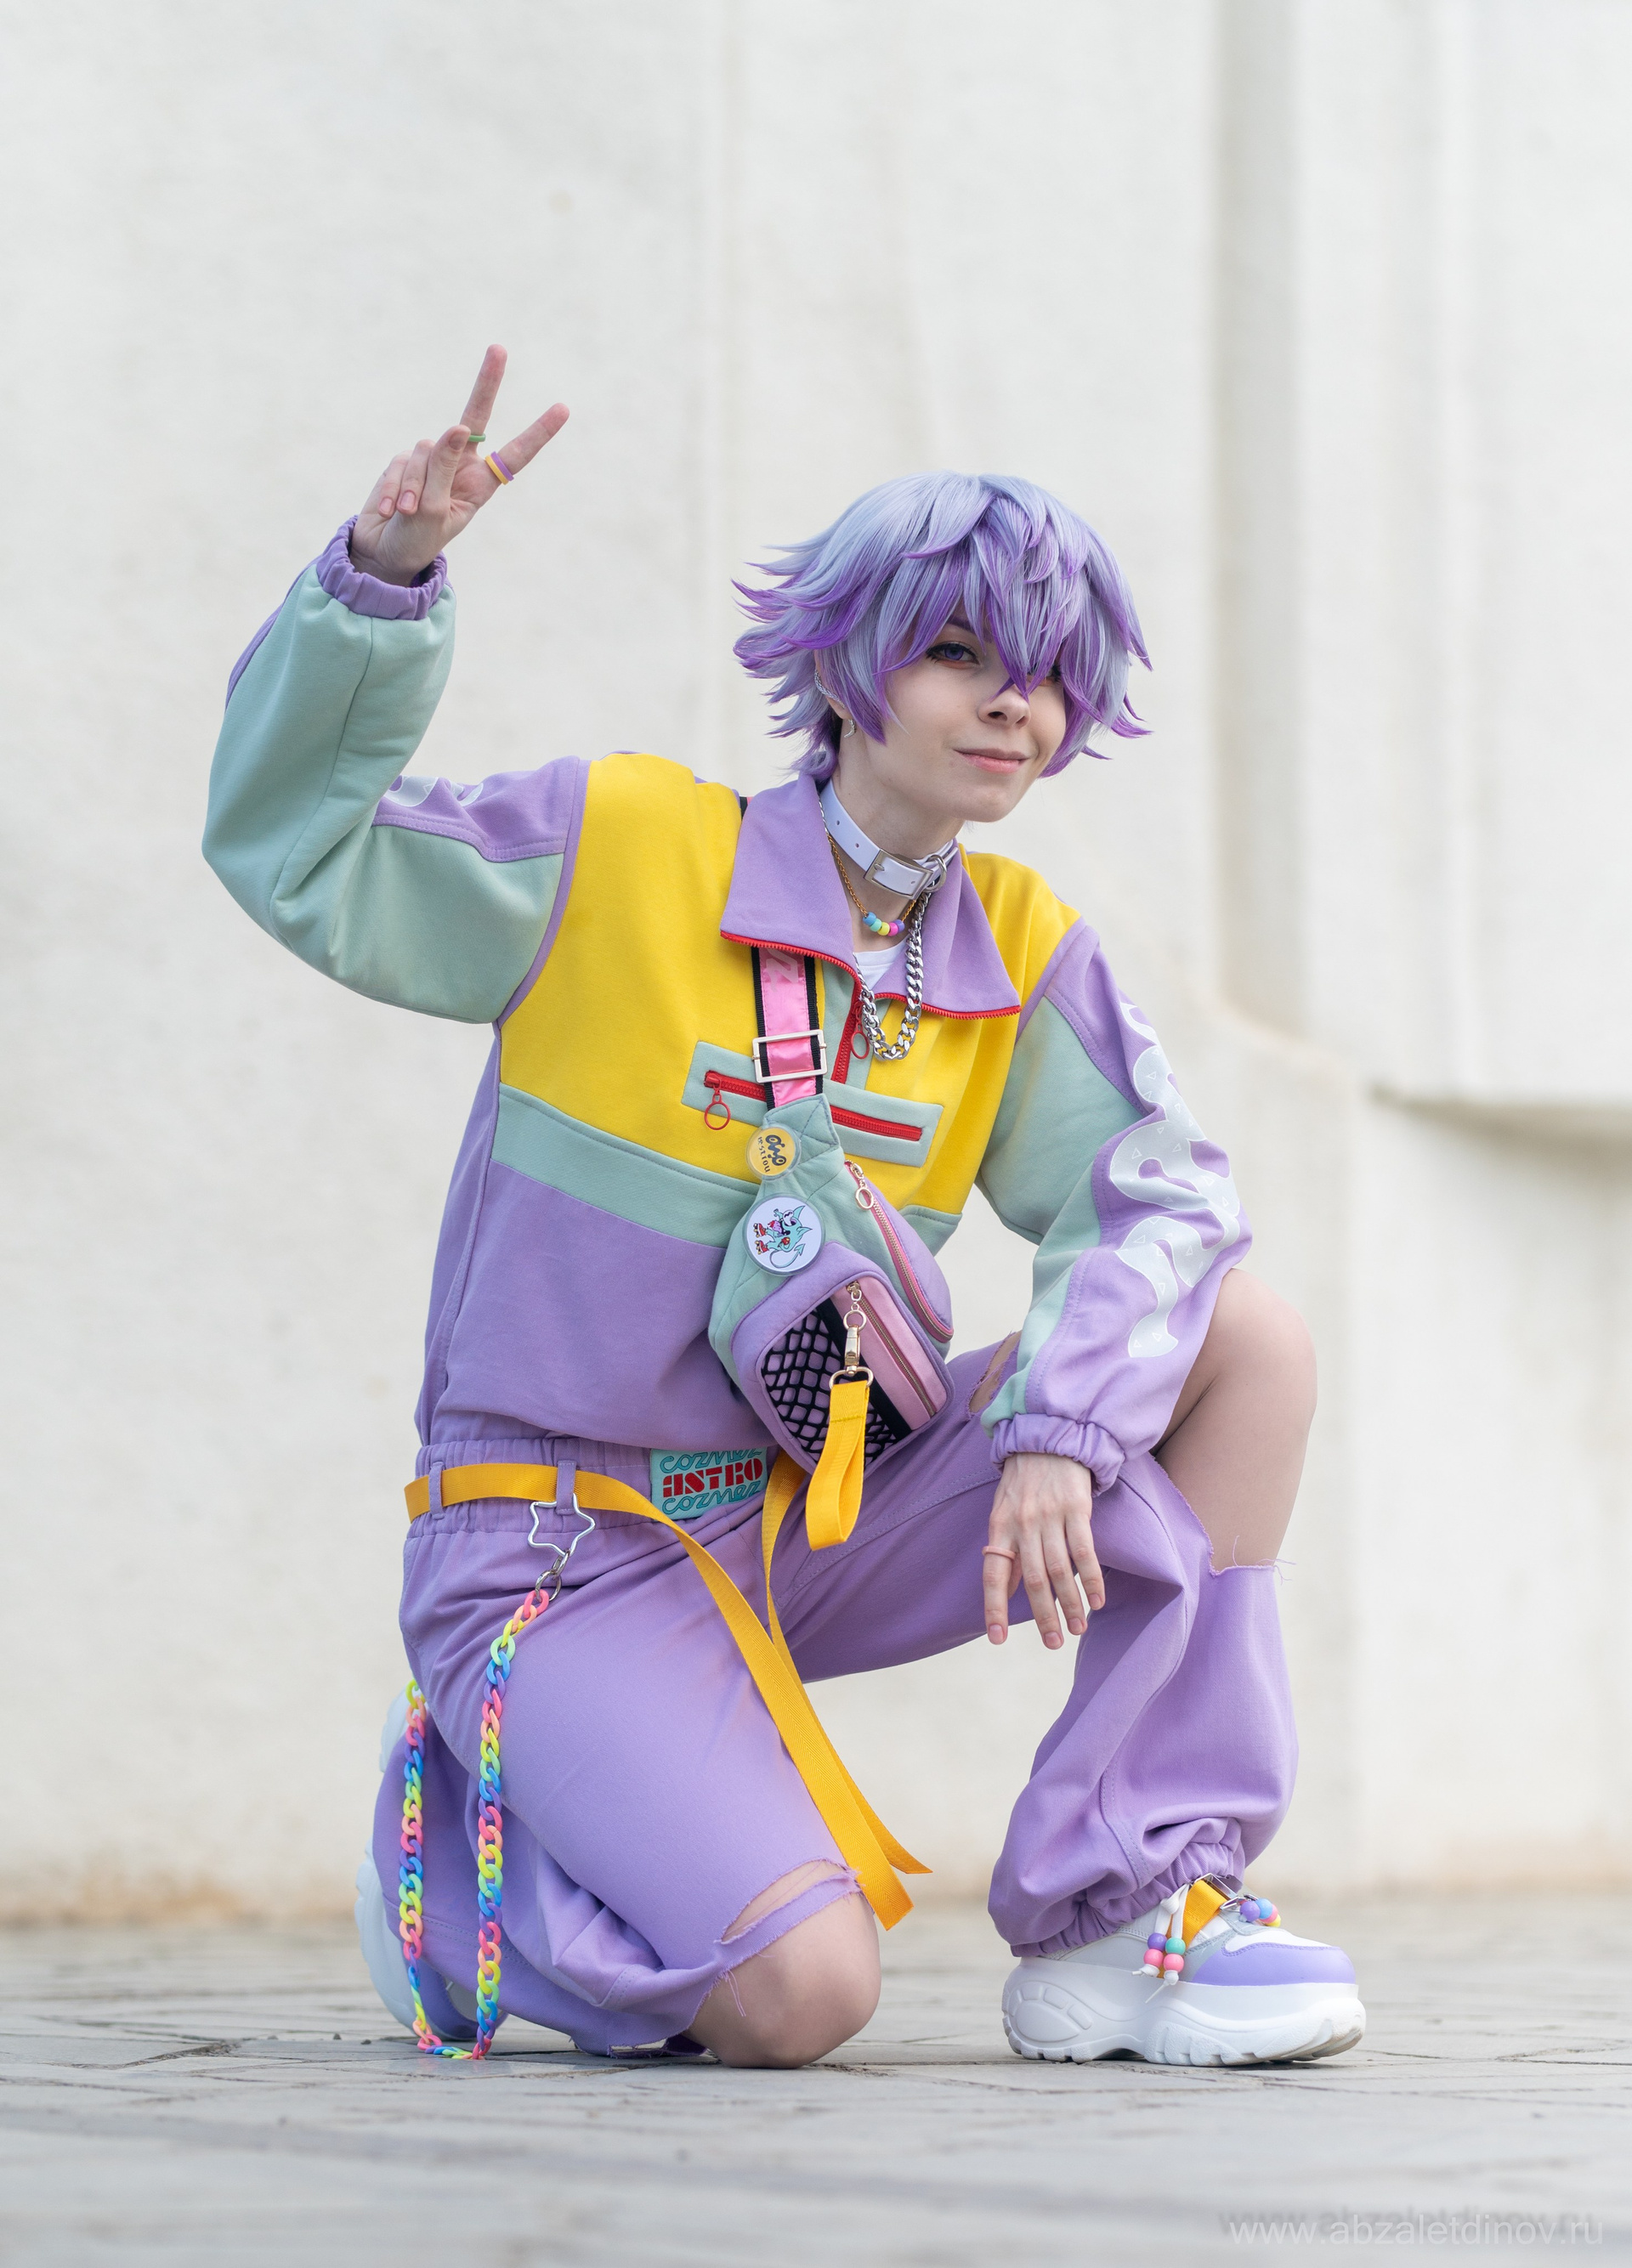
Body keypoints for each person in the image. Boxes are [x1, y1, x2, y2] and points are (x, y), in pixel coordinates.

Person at [206, 345, 1363, 2070]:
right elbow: (297, 847)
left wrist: (1063, 1425)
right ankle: (459, 1877)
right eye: (962, 652)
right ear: (844, 660)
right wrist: (378, 586)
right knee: (806, 1997)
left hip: (813, 1514)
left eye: (1052, 675)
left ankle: (1129, 1908)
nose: (1015, 705)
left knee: (1242, 1340)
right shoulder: (619, 847)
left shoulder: (1017, 951)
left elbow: (1166, 1200)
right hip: (552, 1550)